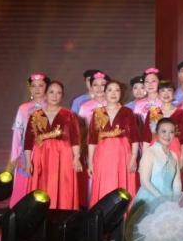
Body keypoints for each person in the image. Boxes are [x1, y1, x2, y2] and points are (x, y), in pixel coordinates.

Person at [23, 81, 81, 210]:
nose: (55, 96)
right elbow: (28, 141)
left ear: (62, 96)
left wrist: (76, 158)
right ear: (45, 94)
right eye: (51, 92)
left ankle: (62, 214)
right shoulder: (35, 115)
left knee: (63, 186)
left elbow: (75, 139)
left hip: (63, 156)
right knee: (42, 186)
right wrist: (28, 162)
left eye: (59, 93)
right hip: (41, 156)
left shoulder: (69, 115)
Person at [87, 79, 140, 206]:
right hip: (102, 155)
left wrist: (133, 158)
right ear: (104, 92)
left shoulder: (127, 112)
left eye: (117, 90)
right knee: (105, 185)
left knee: (122, 185)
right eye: (110, 90)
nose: (113, 93)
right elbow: (92, 140)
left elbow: (135, 137)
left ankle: (123, 215)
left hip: (122, 154)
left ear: (121, 93)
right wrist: (90, 162)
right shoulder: (98, 113)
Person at [8, 73, 48, 204]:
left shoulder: (51, 107)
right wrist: (15, 156)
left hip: (46, 152)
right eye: (34, 86)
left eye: (41, 85)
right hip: (26, 152)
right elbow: (17, 134)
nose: (37, 89)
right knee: (24, 184)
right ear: (30, 88)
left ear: (46, 87)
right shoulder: (23, 108)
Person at [134, 118, 182, 208]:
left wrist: (176, 201)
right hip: (150, 199)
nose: (167, 136)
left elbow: (177, 182)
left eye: (171, 132)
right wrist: (161, 199)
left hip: (169, 199)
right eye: (163, 131)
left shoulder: (174, 156)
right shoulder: (150, 153)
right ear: (156, 133)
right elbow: (144, 181)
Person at [143, 81, 183, 165]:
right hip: (155, 149)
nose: (166, 94)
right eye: (162, 91)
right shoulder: (153, 112)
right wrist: (144, 158)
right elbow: (146, 138)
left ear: (174, 93)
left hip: (174, 149)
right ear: (158, 94)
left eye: (169, 90)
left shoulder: (181, 113)